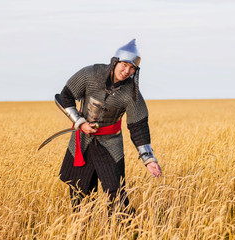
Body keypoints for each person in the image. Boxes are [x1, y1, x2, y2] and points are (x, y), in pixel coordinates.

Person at [57, 39, 162, 212]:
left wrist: (148, 159)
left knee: (116, 193)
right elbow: (65, 96)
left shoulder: (131, 93)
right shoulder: (90, 74)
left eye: (132, 68)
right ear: (115, 62)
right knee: (79, 190)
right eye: (124, 65)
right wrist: (80, 122)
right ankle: (81, 230)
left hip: (110, 145)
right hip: (82, 141)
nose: (127, 71)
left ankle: (127, 231)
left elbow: (139, 127)